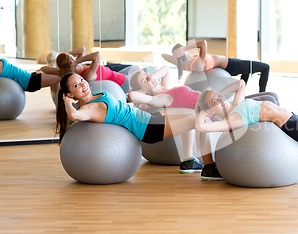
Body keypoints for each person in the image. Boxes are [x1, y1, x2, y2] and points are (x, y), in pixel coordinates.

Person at [127, 66, 280, 179]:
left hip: (221, 103)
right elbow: (133, 95)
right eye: (144, 80)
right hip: (215, 111)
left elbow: (166, 69)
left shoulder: (166, 88)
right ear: (143, 89)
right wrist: (142, 94)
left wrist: (149, 77)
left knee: (270, 95)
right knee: (270, 100)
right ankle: (209, 166)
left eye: (147, 74)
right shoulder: (161, 98)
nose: (150, 77)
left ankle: (276, 139)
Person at [55, 72, 206, 174]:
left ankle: (188, 160)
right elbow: (74, 115)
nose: (83, 84)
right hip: (148, 129)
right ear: (70, 94)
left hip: (147, 118)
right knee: (197, 118)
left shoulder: (94, 97)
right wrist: (66, 102)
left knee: (190, 112)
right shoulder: (91, 108)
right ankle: (210, 167)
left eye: (81, 80)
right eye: (76, 86)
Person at [161, 40, 271, 92]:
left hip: (231, 63)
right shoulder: (197, 63)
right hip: (231, 66)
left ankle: (240, 93)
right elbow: (203, 43)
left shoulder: (184, 65)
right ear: (182, 53)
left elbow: (164, 56)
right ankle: (262, 93)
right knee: (265, 67)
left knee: (246, 72)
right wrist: (184, 48)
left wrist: (175, 55)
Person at [41, 47, 131, 93]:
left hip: (119, 74)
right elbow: (97, 55)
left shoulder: (80, 67)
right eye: (71, 57)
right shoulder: (87, 74)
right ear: (72, 61)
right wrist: (76, 61)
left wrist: (62, 58)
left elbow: (82, 49)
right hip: (123, 83)